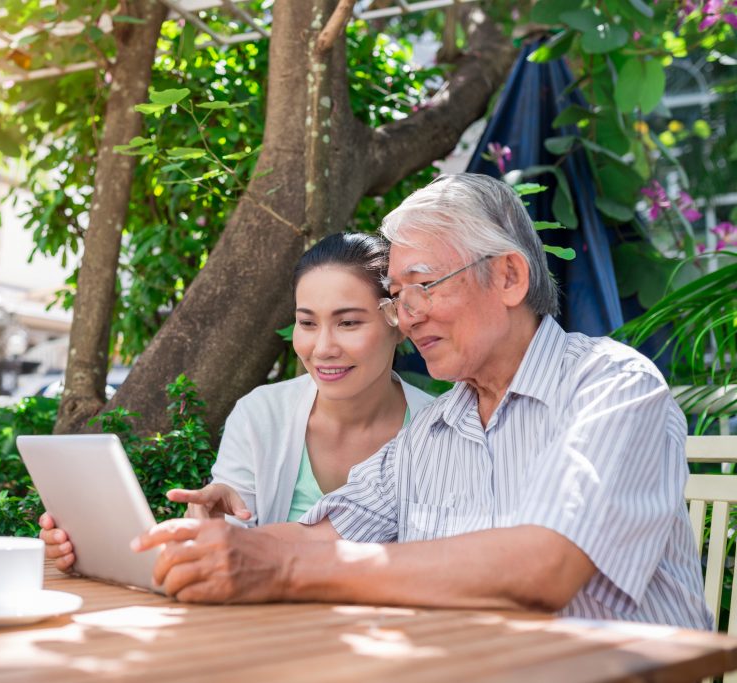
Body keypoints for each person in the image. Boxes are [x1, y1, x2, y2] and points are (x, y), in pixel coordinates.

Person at [130, 173, 713, 630]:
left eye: (424, 285)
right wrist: (173, 545)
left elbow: (547, 567)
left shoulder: (611, 385)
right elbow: (320, 539)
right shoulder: (438, 426)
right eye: (397, 297)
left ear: (509, 277)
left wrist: (276, 565)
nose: (407, 316)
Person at [40, 233, 433, 570]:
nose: (323, 348)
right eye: (308, 323)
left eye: (348, 323)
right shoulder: (261, 414)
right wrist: (216, 528)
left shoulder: (439, 430)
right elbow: (231, 543)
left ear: (397, 322)